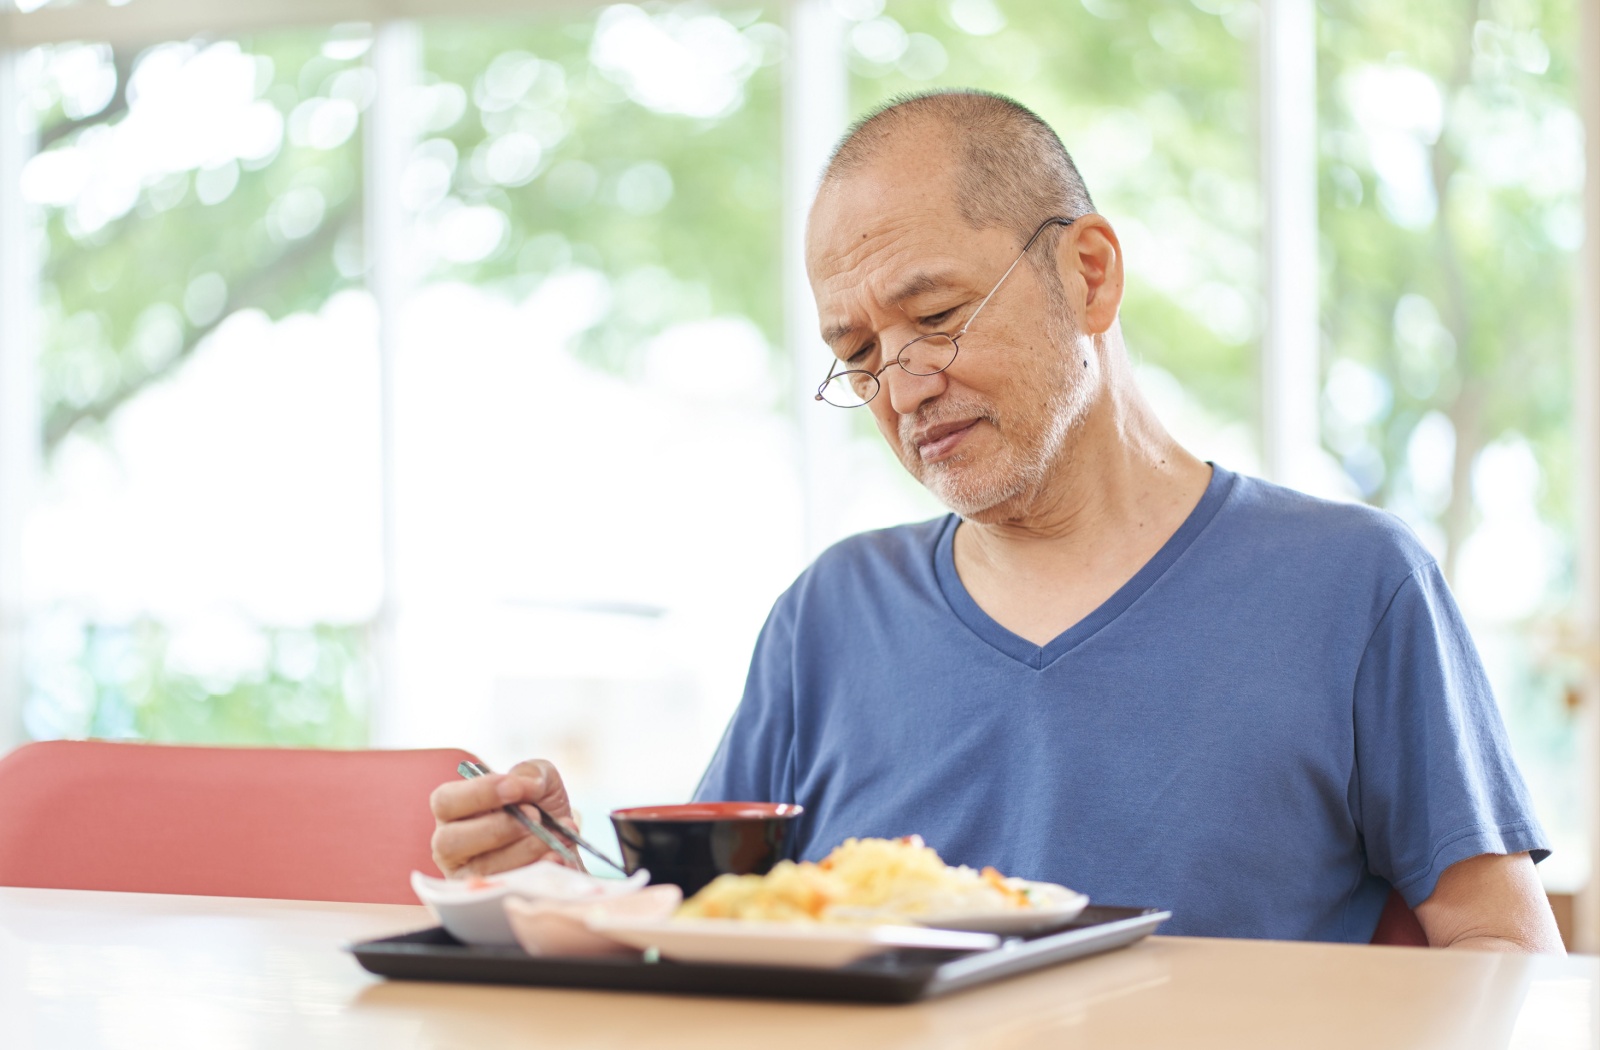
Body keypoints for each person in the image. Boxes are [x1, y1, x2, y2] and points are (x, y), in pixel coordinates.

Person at [430, 91, 1563, 952]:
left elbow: (1504, 961)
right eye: (858, 355)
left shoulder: (1353, 587)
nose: (904, 384)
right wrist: (555, 883)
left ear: (1089, 274)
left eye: (934, 315)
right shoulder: (829, 616)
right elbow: (715, 950)